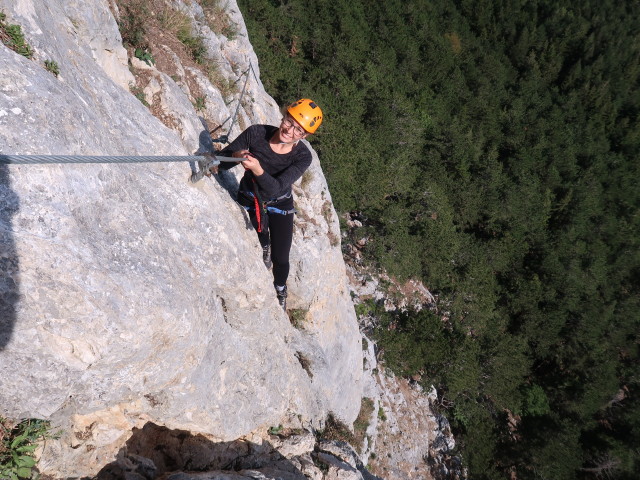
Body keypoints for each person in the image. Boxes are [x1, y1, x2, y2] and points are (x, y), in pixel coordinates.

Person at [218, 99, 323, 310]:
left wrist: (257, 168)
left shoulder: (303, 156)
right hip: (250, 196)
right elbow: (222, 161)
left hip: (280, 203)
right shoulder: (257, 133)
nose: (290, 131)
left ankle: (280, 287)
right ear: (283, 116)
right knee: (260, 232)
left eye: (298, 130)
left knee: (281, 258)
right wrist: (235, 156)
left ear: (304, 136)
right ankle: (264, 245)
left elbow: (275, 188)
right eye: (289, 122)